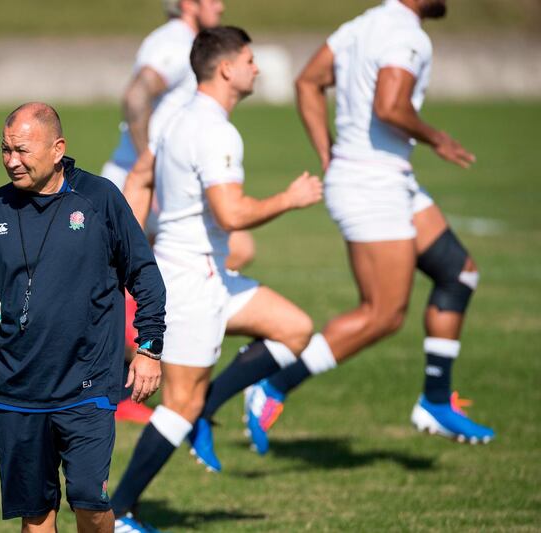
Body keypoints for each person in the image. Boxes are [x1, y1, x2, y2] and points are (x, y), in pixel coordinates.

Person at [242, 0, 494, 455]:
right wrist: (439, 138)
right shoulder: (406, 35)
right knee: (382, 314)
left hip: (386, 177)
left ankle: (435, 400)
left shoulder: (362, 26)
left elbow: (308, 81)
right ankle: (271, 385)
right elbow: (390, 105)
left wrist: (328, 153)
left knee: (459, 273)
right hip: (372, 185)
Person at [0, 103, 166, 532]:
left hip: (87, 383)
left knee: (88, 498)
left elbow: (144, 274)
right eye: (4, 150)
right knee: (36, 515)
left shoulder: (98, 200)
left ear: (57, 148)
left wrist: (149, 347)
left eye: (22, 150)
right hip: (17, 388)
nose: (11, 160)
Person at [112, 27, 323, 531]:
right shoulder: (216, 131)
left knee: (295, 329)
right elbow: (231, 214)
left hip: (210, 277)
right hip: (190, 283)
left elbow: (140, 178)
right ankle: (118, 512)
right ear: (227, 68)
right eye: (250, 59)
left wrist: (127, 246)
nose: (256, 68)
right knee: (179, 405)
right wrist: (288, 199)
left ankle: (212, 409)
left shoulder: (175, 118)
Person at [101, 0, 256, 425]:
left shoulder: (188, 42)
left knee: (231, 251)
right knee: (121, 281)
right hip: (140, 183)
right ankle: (124, 382)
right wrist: (150, 158)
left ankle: (146, 375)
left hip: (156, 182)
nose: (221, 6)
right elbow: (136, 93)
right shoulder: (173, 41)